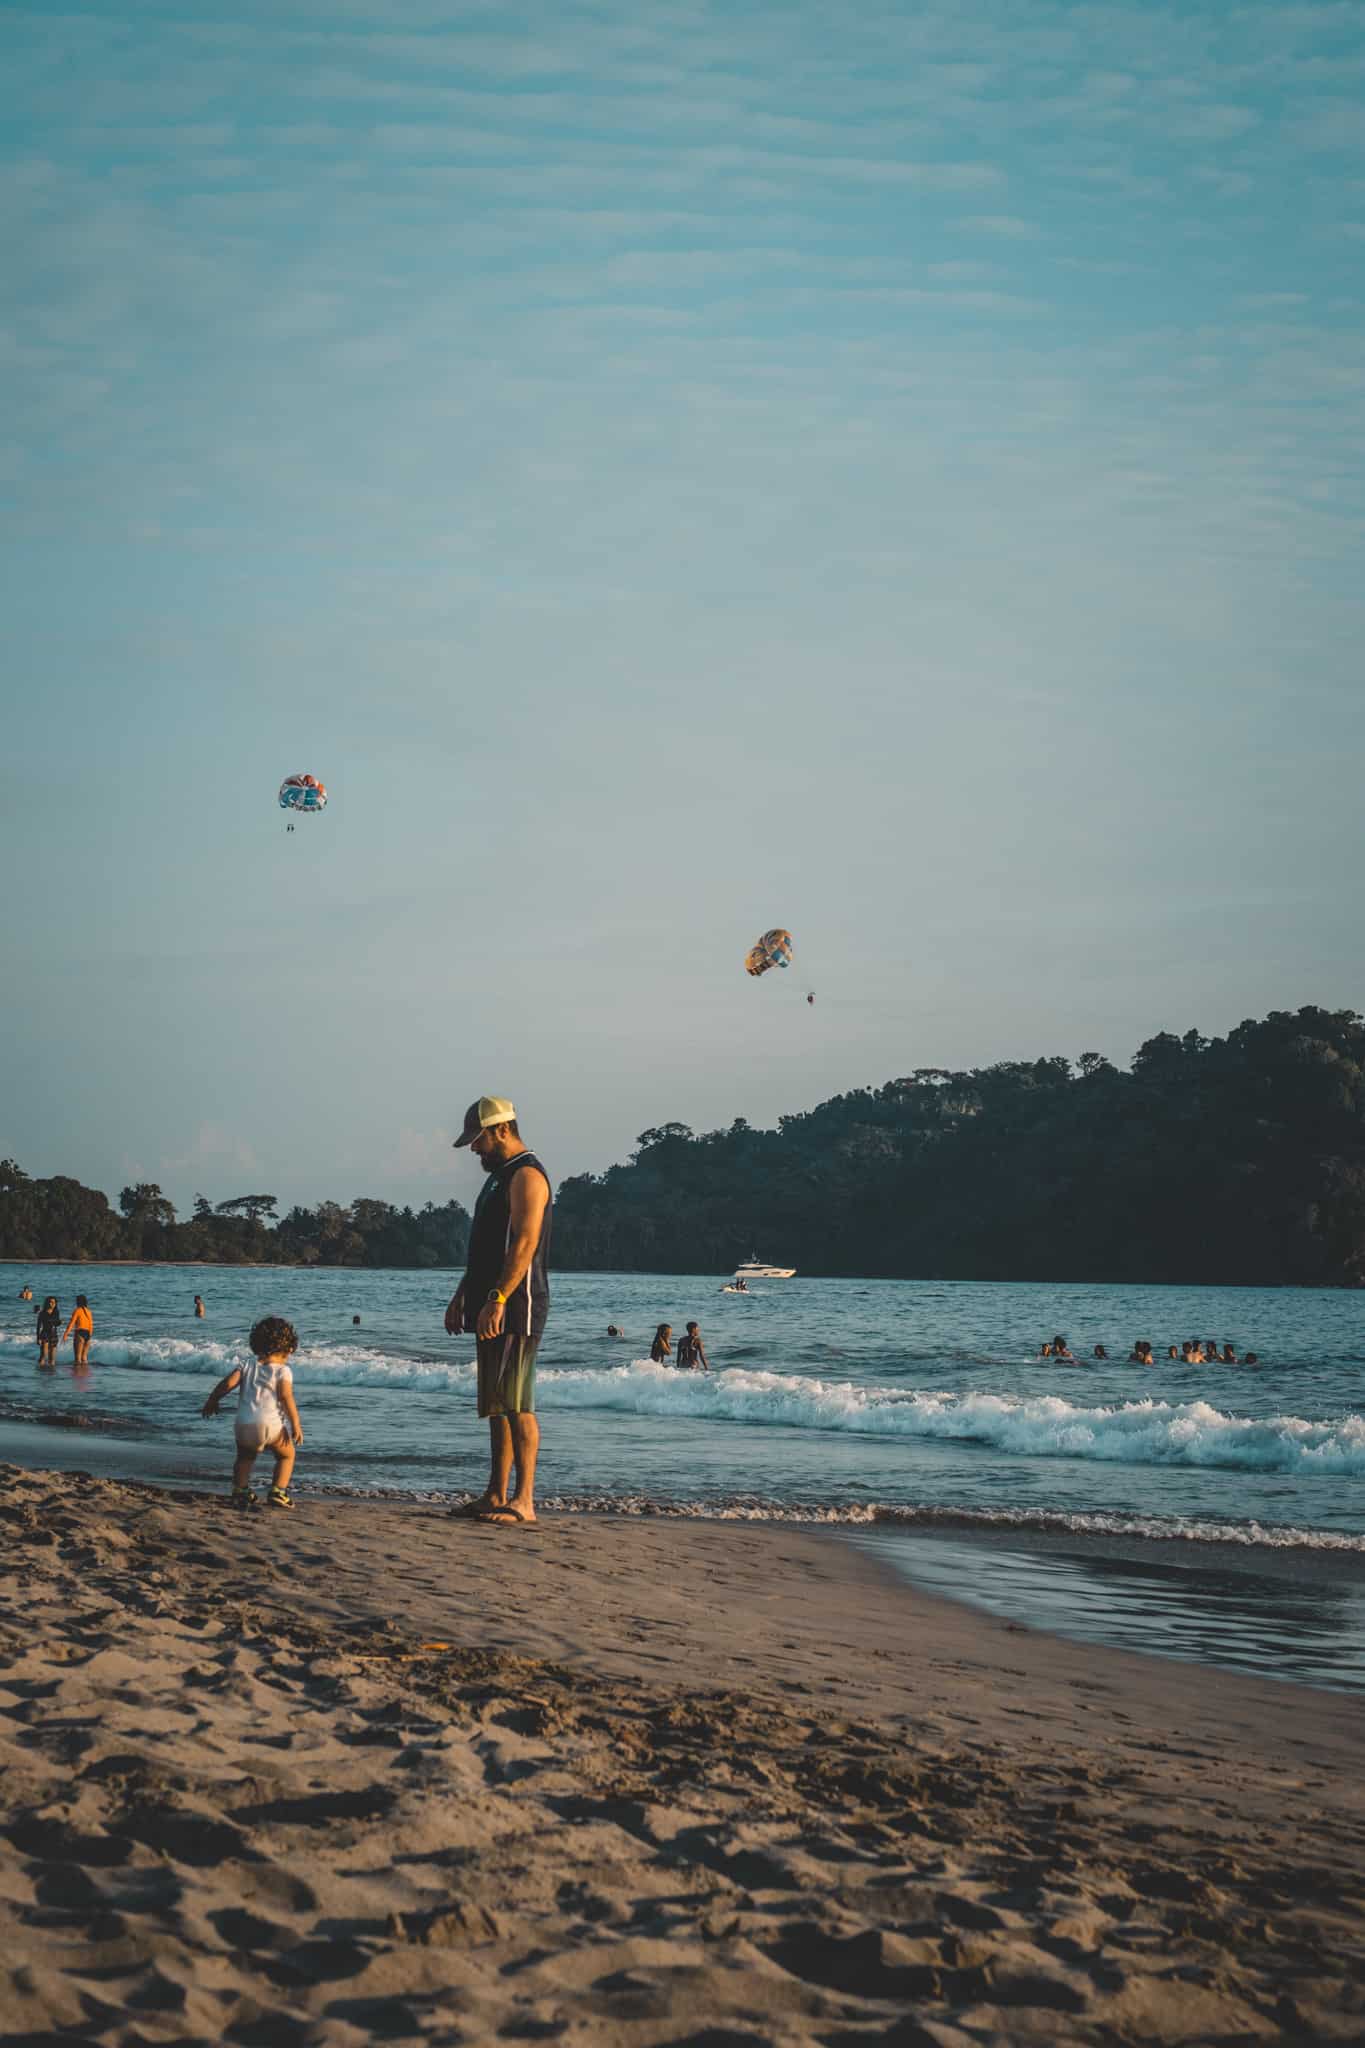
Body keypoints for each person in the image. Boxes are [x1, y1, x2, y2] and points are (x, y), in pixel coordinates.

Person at [444, 1096, 551, 1529]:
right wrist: (462, 1296)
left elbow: (523, 1244)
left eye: (479, 1139)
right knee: (496, 1404)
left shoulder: (527, 1175)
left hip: (518, 1304)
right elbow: (486, 1248)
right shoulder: (498, 1178)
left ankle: (524, 1500)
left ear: (501, 1130)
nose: (474, 1149)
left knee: (516, 1402)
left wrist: (499, 1299)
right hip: (492, 1301)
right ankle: (495, 1492)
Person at [201, 1314, 303, 1510]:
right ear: (288, 1348)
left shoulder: (247, 1364)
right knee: (286, 1455)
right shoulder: (283, 1371)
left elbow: (228, 1384)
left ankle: (240, 1490)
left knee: (245, 1458)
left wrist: (212, 1400)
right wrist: (295, 1423)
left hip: (244, 1424)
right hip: (271, 1425)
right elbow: (285, 1396)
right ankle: (278, 1491)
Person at [62, 1294, 93, 1369]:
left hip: (80, 1332)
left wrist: (65, 1334)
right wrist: (89, 1336)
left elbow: (72, 1323)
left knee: (78, 1358)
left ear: (78, 1302)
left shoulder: (77, 1310)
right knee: (84, 1358)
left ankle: (77, 1376)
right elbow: (91, 1324)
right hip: (88, 1334)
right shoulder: (88, 1311)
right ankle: (85, 1376)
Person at [36, 1296, 60, 1368]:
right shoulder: (42, 1313)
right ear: (47, 1303)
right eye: (50, 1302)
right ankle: (40, 1373)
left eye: (53, 1302)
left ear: (55, 1304)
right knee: (43, 1355)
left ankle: (51, 1375)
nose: (51, 1304)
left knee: (52, 1359)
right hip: (44, 1334)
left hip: (54, 1334)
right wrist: (38, 1338)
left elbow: (56, 1323)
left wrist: (59, 1322)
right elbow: (38, 1326)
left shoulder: (56, 1312)